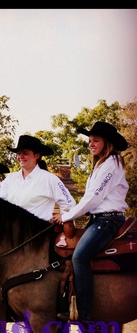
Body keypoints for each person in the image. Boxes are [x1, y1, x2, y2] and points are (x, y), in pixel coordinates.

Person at [51, 122, 129, 322]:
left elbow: (93, 198)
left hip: (107, 220)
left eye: (95, 140)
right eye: (89, 141)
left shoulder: (111, 163)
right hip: (98, 220)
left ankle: (85, 313)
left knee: (79, 257)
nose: (90, 144)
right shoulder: (101, 164)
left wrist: (67, 215)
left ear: (107, 143)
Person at [0, 135, 75, 221]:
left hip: (38, 231)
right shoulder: (11, 178)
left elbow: (69, 204)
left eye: (25, 153)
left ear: (37, 155)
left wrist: (63, 216)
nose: (20, 156)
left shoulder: (49, 179)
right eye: (19, 153)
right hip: (11, 231)